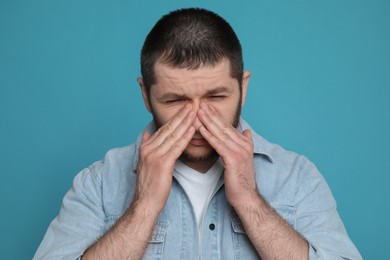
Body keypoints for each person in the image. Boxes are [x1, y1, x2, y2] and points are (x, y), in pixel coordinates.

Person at [34, 7, 362, 260]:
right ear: (146, 96)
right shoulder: (99, 183)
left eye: (216, 97)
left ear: (243, 88)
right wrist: (144, 208)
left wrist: (249, 199)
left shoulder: (297, 178)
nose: (197, 117)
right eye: (175, 100)